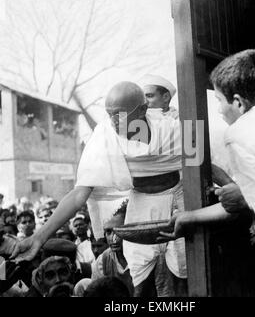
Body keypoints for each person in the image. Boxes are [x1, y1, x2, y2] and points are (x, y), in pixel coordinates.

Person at [11, 81, 187, 297]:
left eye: (119, 114)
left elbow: (206, 167)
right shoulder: (104, 136)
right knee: (141, 280)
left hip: (179, 200)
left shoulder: (175, 128)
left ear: (142, 110)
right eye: (109, 114)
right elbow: (78, 195)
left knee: (183, 274)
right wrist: (38, 238)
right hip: (140, 205)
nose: (113, 121)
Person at [161, 49, 255, 295]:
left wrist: (242, 195)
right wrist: (190, 216)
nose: (218, 110)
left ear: (238, 102)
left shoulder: (240, 134)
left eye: (219, 101)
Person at [91, 203, 134, 295]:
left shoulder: (146, 255)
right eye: (108, 232)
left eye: (118, 231)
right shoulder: (102, 261)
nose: (113, 238)